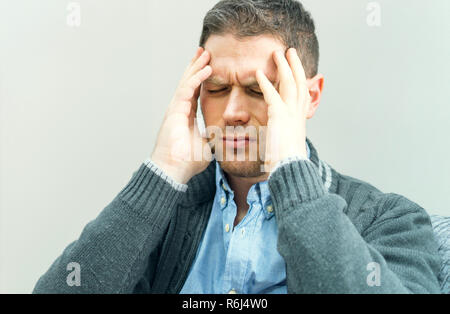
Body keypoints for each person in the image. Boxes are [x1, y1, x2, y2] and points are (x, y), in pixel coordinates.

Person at [33, 0, 442, 294]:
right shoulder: (164, 214)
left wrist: (291, 174)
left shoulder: (390, 220)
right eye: (216, 88)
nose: (232, 111)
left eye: (257, 90)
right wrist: (162, 171)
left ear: (310, 98)